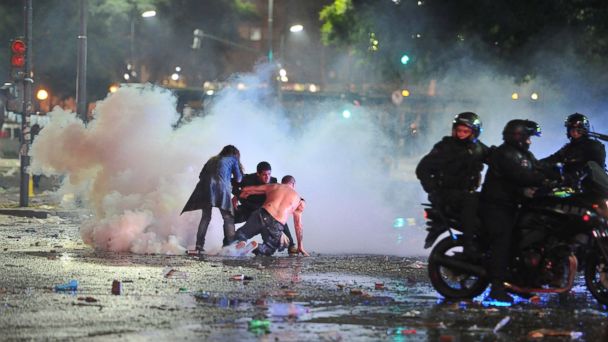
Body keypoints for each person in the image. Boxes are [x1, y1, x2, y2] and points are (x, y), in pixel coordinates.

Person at [480, 119, 554, 303]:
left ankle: (523, 282)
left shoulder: (523, 155)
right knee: (503, 240)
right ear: (518, 136)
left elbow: (538, 167)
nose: (529, 141)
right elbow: (521, 175)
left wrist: (559, 172)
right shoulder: (504, 154)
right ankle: (496, 288)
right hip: (496, 206)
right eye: (528, 137)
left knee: (526, 238)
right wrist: (542, 180)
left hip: (513, 205)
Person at [415, 112, 490, 256]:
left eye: (466, 131)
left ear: (474, 132)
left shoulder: (478, 148)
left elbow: (496, 158)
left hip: (467, 191)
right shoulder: (445, 147)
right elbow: (422, 169)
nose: (461, 134)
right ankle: (468, 247)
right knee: (472, 202)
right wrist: (433, 190)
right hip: (446, 193)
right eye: (459, 130)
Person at [181, 145, 243, 252]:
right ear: (234, 154)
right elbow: (239, 179)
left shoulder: (211, 160)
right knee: (228, 218)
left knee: (205, 218)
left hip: (204, 190)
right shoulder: (233, 159)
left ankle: (199, 246)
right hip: (221, 190)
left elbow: (201, 175)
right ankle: (232, 246)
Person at [232, 161, 298, 254]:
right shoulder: (248, 179)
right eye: (264, 175)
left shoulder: (273, 181)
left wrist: (280, 231)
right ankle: (231, 244)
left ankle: (291, 245)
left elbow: (280, 194)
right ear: (258, 174)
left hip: (263, 211)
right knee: (230, 220)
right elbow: (234, 183)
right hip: (248, 209)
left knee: (281, 219)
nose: (267, 177)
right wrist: (237, 196)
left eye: (269, 174)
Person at [541, 113, 606, 183]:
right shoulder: (567, 148)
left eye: (578, 129)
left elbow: (596, 169)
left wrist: (575, 175)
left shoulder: (594, 146)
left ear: (584, 129)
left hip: (591, 186)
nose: (575, 132)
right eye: (572, 129)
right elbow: (553, 159)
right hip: (571, 186)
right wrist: (535, 164)